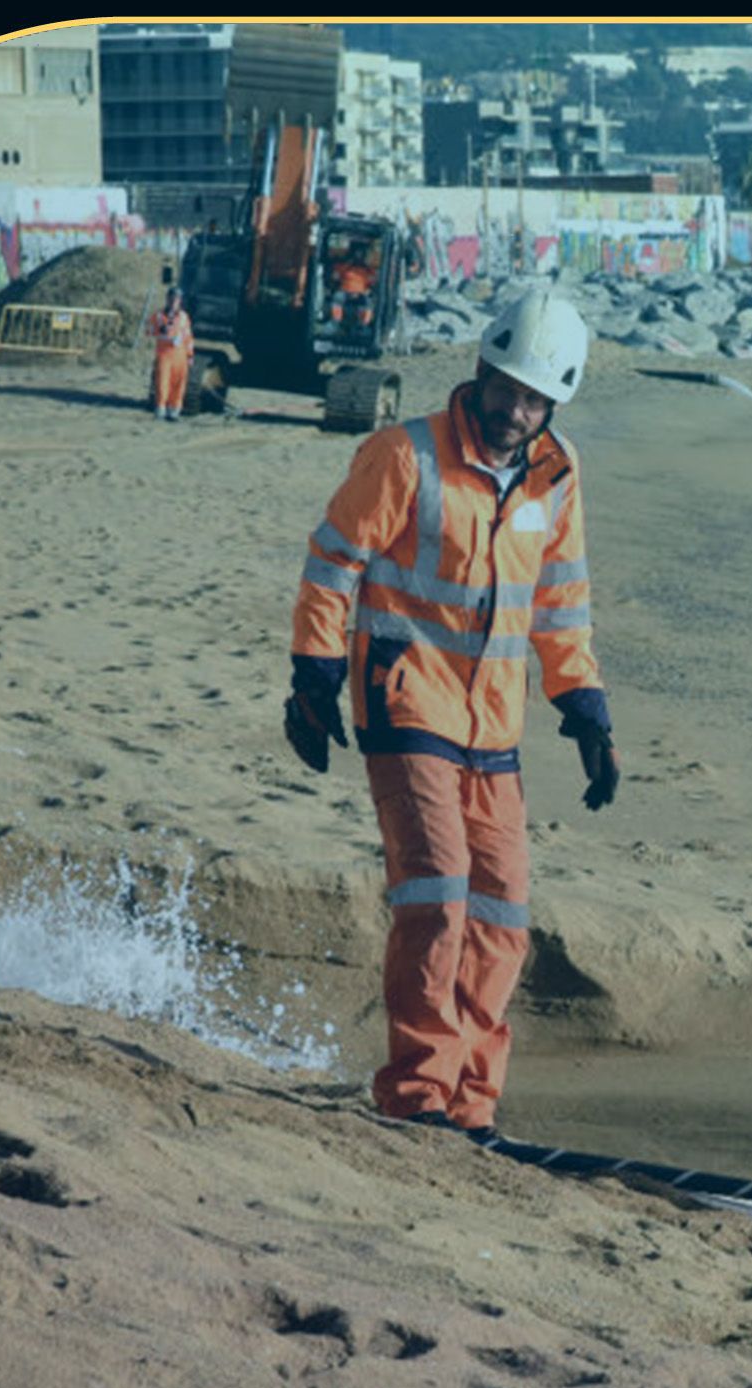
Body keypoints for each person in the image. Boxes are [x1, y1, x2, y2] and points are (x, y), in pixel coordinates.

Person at [284, 290, 621, 1140]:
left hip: (495, 727)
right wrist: (315, 672)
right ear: (480, 369)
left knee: (503, 912)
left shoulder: (558, 472)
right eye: (505, 387)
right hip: (406, 704)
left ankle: (472, 1103)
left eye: (534, 397)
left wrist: (583, 705)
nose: (515, 408)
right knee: (437, 893)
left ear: (554, 403)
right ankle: (418, 1094)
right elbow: (334, 563)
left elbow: (560, 601)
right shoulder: (404, 456)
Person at [145, 287, 192, 421]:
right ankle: (161, 409)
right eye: (171, 298)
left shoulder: (184, 317)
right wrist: (159, 329)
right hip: (165, 354)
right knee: (162, 382)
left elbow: (188, 337)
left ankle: (174, 411)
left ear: (180, 301)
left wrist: (190, 355)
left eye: (176, 299)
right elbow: (148, 330)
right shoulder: (158, 316)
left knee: (178, 384)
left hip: (180, 355)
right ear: (167, 299)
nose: (173, 302)